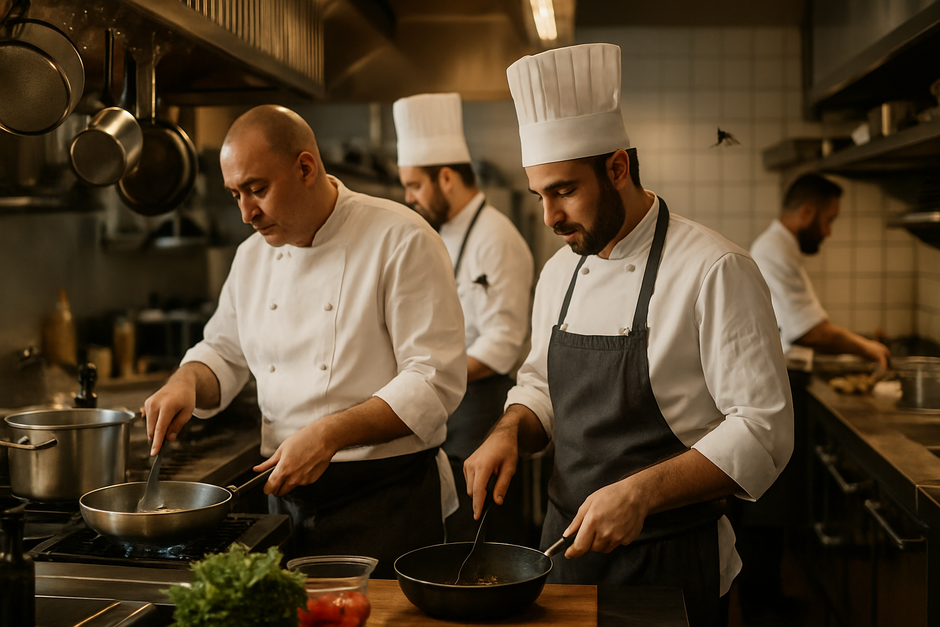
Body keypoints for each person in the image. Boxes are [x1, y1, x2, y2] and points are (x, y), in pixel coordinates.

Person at [463, 43, 794, 627]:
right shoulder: (561, 269)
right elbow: (541, 382)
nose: (549, 218)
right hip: (562, 554)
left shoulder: (714, 268)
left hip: (670, 559)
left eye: (564, 190)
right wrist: (511, 428)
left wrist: (640, 493)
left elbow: (764, 429)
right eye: (540, 195)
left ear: (617, 167)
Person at [142, 104, 467, 578]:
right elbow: (223, 353)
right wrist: (186, 381)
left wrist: (328, 435)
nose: (246, 213)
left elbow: (432, 382)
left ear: (305, 168)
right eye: (235, 194)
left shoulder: (400, 238)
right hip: (286, 498)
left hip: (384, 500)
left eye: (257, 190)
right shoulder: (251, 257)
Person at [392, 92, 534, 543]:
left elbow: (503, 343)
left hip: (480, 413)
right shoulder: (433, 234)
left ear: (447, 177)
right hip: (444, 413)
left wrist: (432, 377)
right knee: (448, 535)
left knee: (482, 539)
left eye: (414, 185)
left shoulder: (498, 237)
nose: (408, 197)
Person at [750, 173, 891, 368]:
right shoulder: (774, 251)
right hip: (784, 372)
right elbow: (808, 332)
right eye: (829, 221)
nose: (828, 232)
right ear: (807, 212)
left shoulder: (783, 248)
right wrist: (867, 348)